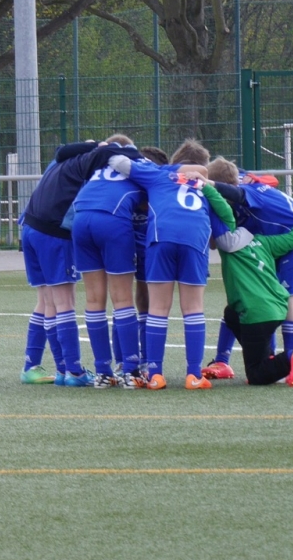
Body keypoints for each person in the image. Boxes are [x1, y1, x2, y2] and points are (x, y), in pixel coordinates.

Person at [20, 140, 144, 386]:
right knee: (64, 303)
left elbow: (62, 150)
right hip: (54, 233)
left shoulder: (60, 160)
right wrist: (125, 152)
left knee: (46, 301)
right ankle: (73, 372)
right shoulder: (90, 162)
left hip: (29, 227)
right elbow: (110, 152)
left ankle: (37, 366)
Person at [106, 139, 227, 390]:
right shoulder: (205, 186)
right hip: (195, 238)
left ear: (175, 161)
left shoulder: (158, 174)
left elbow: (118, 162)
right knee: (193, 308)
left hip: (161, 236)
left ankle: (155, 374)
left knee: (158, 308)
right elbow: (223, 234)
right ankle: (193, 375)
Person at [203, 157, 293, 378]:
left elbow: (239, 193)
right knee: (241, 303)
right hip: (276, 241)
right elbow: (261, 177)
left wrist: (208, 185)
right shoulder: (240, 179)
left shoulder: (246, 191)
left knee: (287, 301)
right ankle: (225, 360)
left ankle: (292, 359)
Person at [70, 134, 146, 388]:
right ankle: (131, 371)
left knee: (94, 299)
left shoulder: (98, 166)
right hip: (112, 220)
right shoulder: (140, 166)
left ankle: (103, 372)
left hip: (81, 219)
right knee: (122, 298)